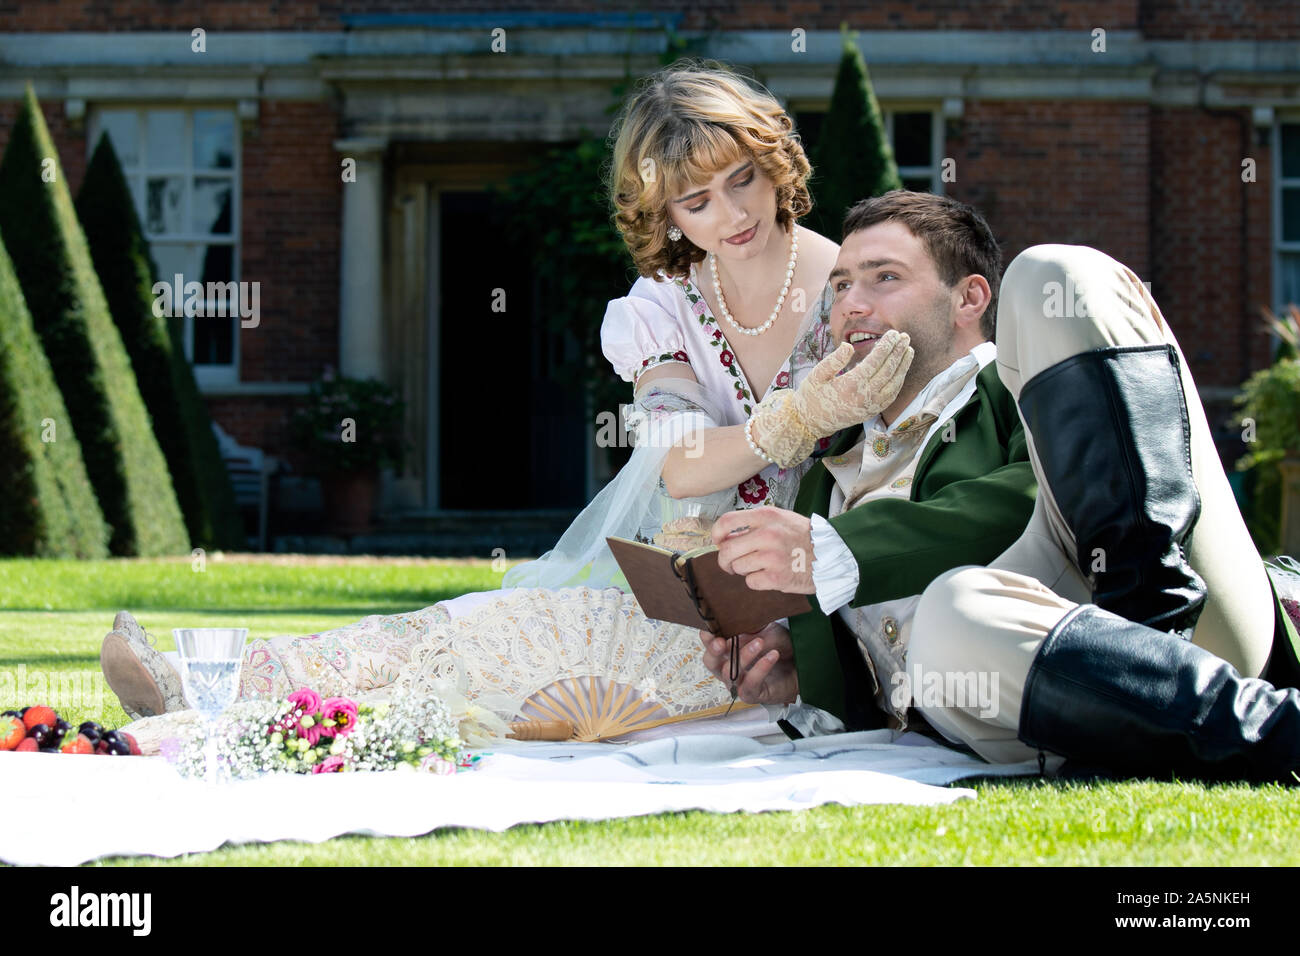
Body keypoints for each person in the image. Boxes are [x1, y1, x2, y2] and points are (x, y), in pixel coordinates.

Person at [100, 61, 914, 737]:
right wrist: (797, 416)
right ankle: (212, 682)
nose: (731, 214)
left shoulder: (856, 285)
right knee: (477, 633)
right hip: (688, 598)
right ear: (664, 214)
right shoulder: (661, 305)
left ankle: (219, 692)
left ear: (774, 162)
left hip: (816, 614)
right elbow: (678, 468)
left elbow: (907, 468)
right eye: (696, 202)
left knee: (508, 681)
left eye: (743, 180)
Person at [700, 189, 1300, 783]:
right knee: (953, 617)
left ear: (969, 297)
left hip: (1191, 626)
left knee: (1053, 275)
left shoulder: (1012, 388)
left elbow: (1033, 495)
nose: (853, 304)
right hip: (1016, 719)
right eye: (840, 286)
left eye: (884, 277)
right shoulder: (823, 477)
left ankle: (1167, 661)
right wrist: (802, 673)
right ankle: (1144, 718)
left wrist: (838, 549)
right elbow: (893, 695)